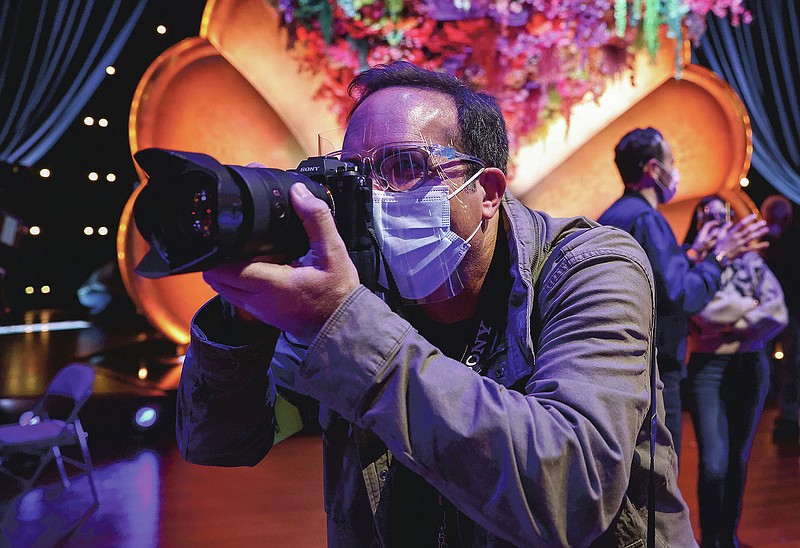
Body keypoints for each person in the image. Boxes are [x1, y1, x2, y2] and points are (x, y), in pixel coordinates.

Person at [176, 62, 697, 546]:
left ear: (487, 191)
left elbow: (572, 494)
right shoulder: (357, 285)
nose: (373, 198)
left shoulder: (589, 265)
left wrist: (346, 326)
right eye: (355, 177)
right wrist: (242, 323)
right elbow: (220, 444)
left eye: (402, 167)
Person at [598, 127, 768, 459]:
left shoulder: (615, 214)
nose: (675, 172)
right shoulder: (648, 219)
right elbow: (680, 297)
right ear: (653, 170)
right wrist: (720, 258)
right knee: (660, 473)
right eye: (671, 162)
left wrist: (691, 253)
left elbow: (654, 279)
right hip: (655, 369)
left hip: (622, 364)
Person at [684, 196, 788, 547]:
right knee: (713, 463)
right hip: (708, 367)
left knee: (737, 462)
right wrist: (749, 310)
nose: (717, 223)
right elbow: (702, 312)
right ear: (699, 223)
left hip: (749, 366)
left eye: (722, 216)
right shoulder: (696, 264)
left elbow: (777, 313)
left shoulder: (751, 263)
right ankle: (710, 540)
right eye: (708, 217)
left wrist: (728, 322)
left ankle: (728, 538)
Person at [760, 194, 800, 444]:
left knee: (791, 367)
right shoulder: (763, 242)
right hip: (768, 315)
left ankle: (788, 415)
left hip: (789, 314)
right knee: (777, 366)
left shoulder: (791, 242)